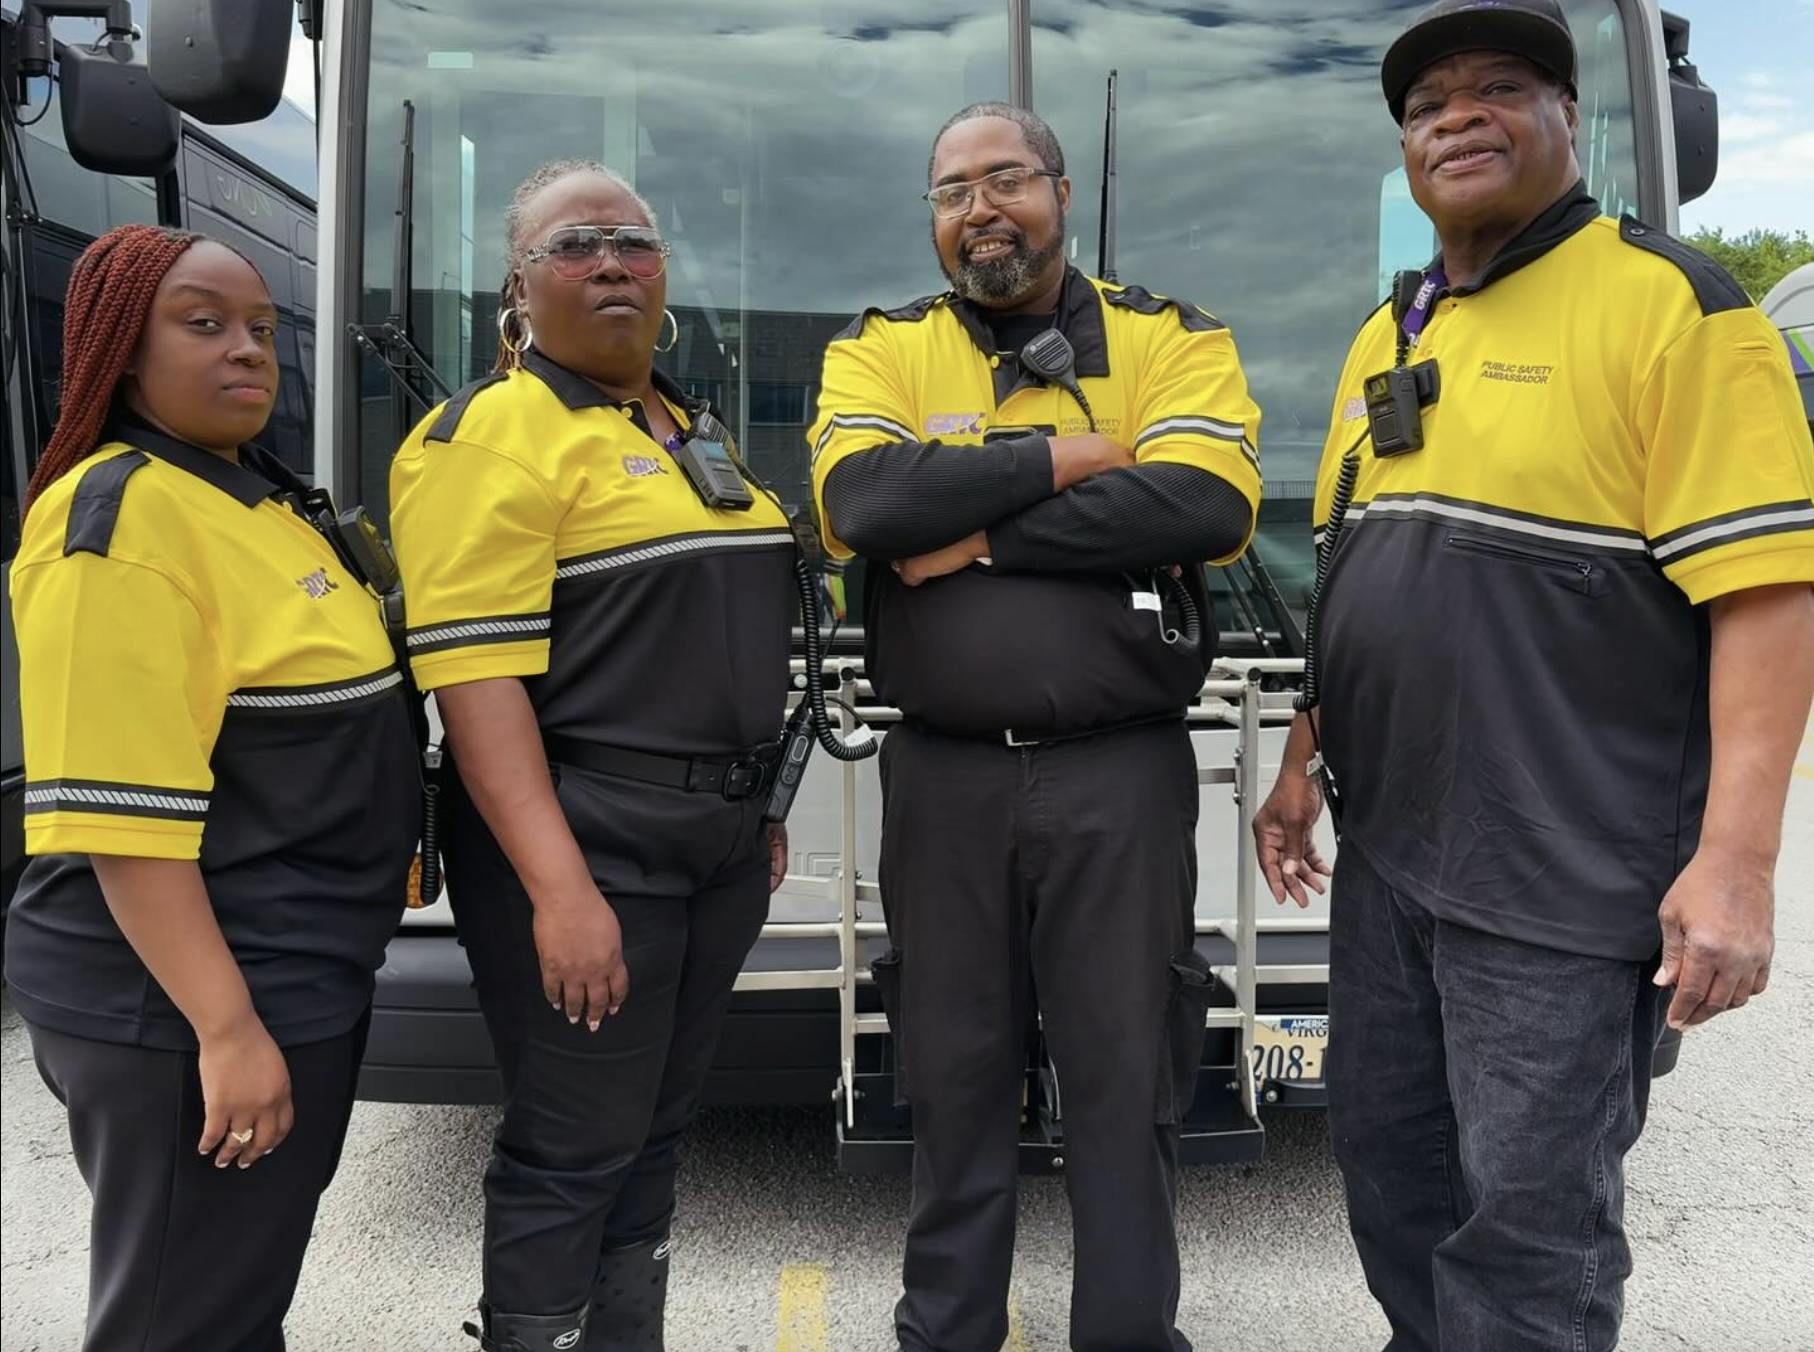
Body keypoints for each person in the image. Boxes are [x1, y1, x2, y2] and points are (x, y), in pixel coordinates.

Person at [1252, 3, 1814, 1349]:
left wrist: (1735, 862)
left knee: (1529, 1230)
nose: (1455, 116)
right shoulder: (1388, 334)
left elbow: (1768, 594)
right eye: (1426, 104)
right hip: (1391, 855)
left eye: (1496, 87)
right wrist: (1295, 764)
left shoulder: (1675, 308)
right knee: (1390, 1179)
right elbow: (1358, 576)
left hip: (1559, 876)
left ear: (1572, 119)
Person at [810, 104, 1263, 1352]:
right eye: (951, 190)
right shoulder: (882, 347)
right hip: (943, 780)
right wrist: (1072, 459)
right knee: (952, 1078)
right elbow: (862, 502)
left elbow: (1204, 504)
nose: (979, 209)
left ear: (1059, 191)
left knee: (1126, 1077)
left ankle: (1127, 1332)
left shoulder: (1172, 336)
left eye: (1005, 179)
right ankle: (945, 1328)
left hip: (1118, 776)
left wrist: (977, 538)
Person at [387, 159, 795, 1352]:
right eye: (574, 244)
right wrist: (557, 891)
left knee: (653, 1132)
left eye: (633, 241)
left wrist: (752, 801)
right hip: (585, 851)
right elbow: (475, 682)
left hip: (710, 849)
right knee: (570, 1144)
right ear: (518, 285)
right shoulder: (488, 435)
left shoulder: (688, 426)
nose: (610, 260)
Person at [6, 224, 421, 1351]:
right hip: (181, 1001)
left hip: (290, 970)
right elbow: (123, 825)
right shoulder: (119, 523)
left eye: (260, 327)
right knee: (177, 1320)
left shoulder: (252, 499)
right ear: (118, 351)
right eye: (203, 324)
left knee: (230, 1298)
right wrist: (226, 1030)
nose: (247, 350)